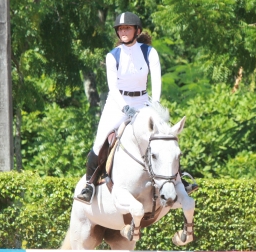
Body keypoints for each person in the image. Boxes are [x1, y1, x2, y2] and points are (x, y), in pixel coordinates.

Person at [75, 12, 196, 204]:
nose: (123, 31)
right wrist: (125, 108)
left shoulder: (149, 52)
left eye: (127, 28)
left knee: (164, 138)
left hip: (143, 101)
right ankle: (89, 185)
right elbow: (113, 88)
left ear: (137, 31)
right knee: (99, 142)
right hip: (117, 103)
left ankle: (180, 180)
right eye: (120, 29)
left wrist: (155, 104)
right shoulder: (112, 56)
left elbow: (156, 81)